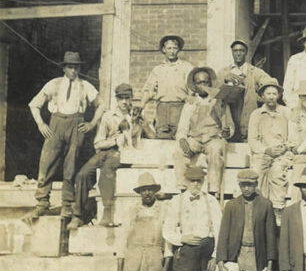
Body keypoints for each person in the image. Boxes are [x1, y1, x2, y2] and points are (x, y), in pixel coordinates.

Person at [27, 51, 103, 224]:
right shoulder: (54, 84)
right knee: (47, 162)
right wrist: (41, 124)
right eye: (70, 67)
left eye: (76, 67)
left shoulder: (85, 86)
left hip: (76, 125)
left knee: (71, 167)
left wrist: (91, 124)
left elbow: (101, 105)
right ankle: (42, 201)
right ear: (64, 68)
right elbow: (34, 104)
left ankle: (67, 204)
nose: (73, 71)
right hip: (56, 123)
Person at [71, 82, 143, 230]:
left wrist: (140, 122)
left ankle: (107, 212)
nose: (124, 102)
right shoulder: (108, 116)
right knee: (82, 174)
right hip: (107, 150)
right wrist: (114, 140)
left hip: (125, 154)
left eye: (127, 98)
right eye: (121, 98)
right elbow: (97, 143)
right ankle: (77, 215)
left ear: (132, 98)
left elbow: (144, 139)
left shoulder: (136, 117)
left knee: (107, 170)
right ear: (116, 99)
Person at [174, 67, 233, 197]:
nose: (202, 86)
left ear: (210, 84)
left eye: (205, 82)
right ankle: (182, 187)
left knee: (216, 149)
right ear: (194, 85)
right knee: (179, 150)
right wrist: (182, 139)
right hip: (195, 139)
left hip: (213, 138)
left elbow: (229, 125)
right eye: (199, 83)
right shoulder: (190, 104)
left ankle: (213, 190)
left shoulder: (219, 101)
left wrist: (226, 132)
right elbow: (182, 128)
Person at [247, 79, 295, 214]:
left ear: (279, 95)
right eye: (268, 93)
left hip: (282, 154)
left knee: (277, 172)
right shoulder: (256, 114)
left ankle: (277, 209)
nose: (271, 97)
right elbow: (252, 140)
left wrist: (285, 147)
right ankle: (260, 209)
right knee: (256, 171)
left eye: (274, 93)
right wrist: (266, 150)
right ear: (262, 96)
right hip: (263, 153)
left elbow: (293, 137)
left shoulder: (286, 112)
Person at [216, 39, 273, 142]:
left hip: (246, 110)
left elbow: (270, 84)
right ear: (232, 52)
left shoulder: (254, 71)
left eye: (241, 51)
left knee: (246, 139)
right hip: (229, 112)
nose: (238, 53)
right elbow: (214, 92)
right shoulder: (223, 72)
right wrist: (225, 79)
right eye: (235, 51)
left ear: (246, 52)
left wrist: (258, 95)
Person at [141, 35, 192, 139]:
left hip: (180, 107)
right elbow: (148, 90)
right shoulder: (158, 69)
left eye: (174, 48)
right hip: (162, 108)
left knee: (180, 137)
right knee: (162, 137)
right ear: (164, 50)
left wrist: (191, 99)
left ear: (178, 49)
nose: (172, 51)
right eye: (169, 48)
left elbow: (193, 88)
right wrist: (141, 105)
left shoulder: (186, 67)